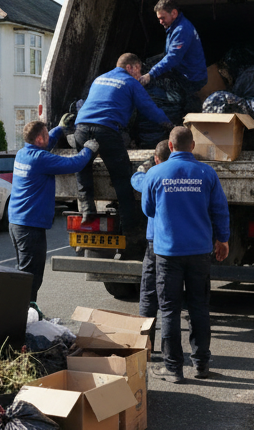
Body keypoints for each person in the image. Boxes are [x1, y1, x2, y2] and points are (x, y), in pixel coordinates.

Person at [141, 126, 230, 383]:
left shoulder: (156, 173)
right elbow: (220, 210)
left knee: (169, 310)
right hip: (200, 251)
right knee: (199, 307)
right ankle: (201, 364)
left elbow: (148, 209)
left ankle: (173, 368)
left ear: (170, 146)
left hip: (167, 253)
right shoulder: (206, 173)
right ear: (193, 146)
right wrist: (222, 239)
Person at [73, 53, 172, 235]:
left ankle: (87, 211)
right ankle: (130, 229)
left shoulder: (99, 79)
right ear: (130, 67)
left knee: (83, 170)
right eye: (139, 71)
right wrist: (169, 125)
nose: (140, 76)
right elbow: (148, 107)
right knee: (121, 179)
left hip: (81, 128)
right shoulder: (130, 82)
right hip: (106, 130)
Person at [9, 120, 99, 302]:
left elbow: (46, 145)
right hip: (30, 226)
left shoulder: (22, 154)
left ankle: (24, 315)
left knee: (24, 274)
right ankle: (25, 319)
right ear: (40, 138)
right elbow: (74, 164)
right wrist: (89, 149)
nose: (49, 137)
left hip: (17, 223)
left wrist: (59, 129)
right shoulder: (40, 160)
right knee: (31, 277)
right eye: (47, 134)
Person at [138, 0, 207, 126]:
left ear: (174, 13)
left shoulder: (181, 30)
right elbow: (168, 54)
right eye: (159, 18)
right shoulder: (174, 26)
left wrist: (150, 75)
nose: (160, 22)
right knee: (149, 63)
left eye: (162, 18)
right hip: (185, 70)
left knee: (174, 100)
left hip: (190, 77)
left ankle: (176, 123)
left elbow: (173, 58)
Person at [131, 139, 172, 327]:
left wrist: (144, 167)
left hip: (157, 241)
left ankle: (146, 346)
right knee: (172, 299)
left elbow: (136, 179)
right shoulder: (198, 174)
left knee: (149, 292)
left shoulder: (152, 177)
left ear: (157, 159)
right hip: (186, 245)